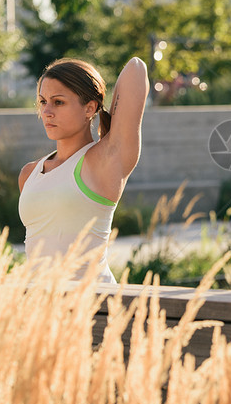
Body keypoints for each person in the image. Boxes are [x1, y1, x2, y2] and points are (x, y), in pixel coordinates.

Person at [18, 57, 149, 283]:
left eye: (58, 102)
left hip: (93, 306)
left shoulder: (104, 162)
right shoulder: (29, 173)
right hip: (40, 308)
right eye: (42, 101)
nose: (47, 111)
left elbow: (136, 68)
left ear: (89, 108)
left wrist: (105, 110)